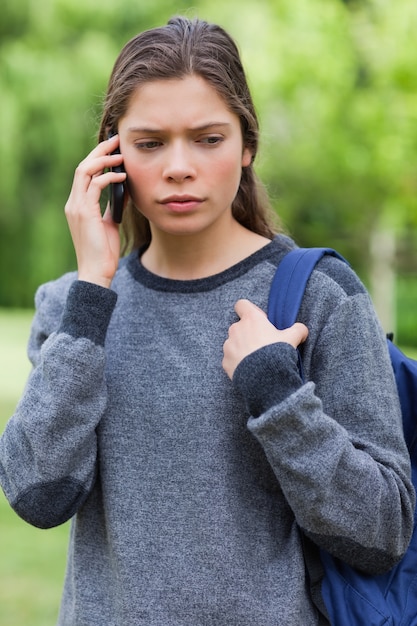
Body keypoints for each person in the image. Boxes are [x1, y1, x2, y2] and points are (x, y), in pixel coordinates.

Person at [0, 16, 414, 626]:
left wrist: (278, 393)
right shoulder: (72, 307)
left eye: (208, 138)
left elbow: (383, 532)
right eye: (149, 143)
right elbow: (38, 494)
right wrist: (92, 291)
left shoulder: (319, 298)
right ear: (111, 155)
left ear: (248, 146)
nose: (178, 166)